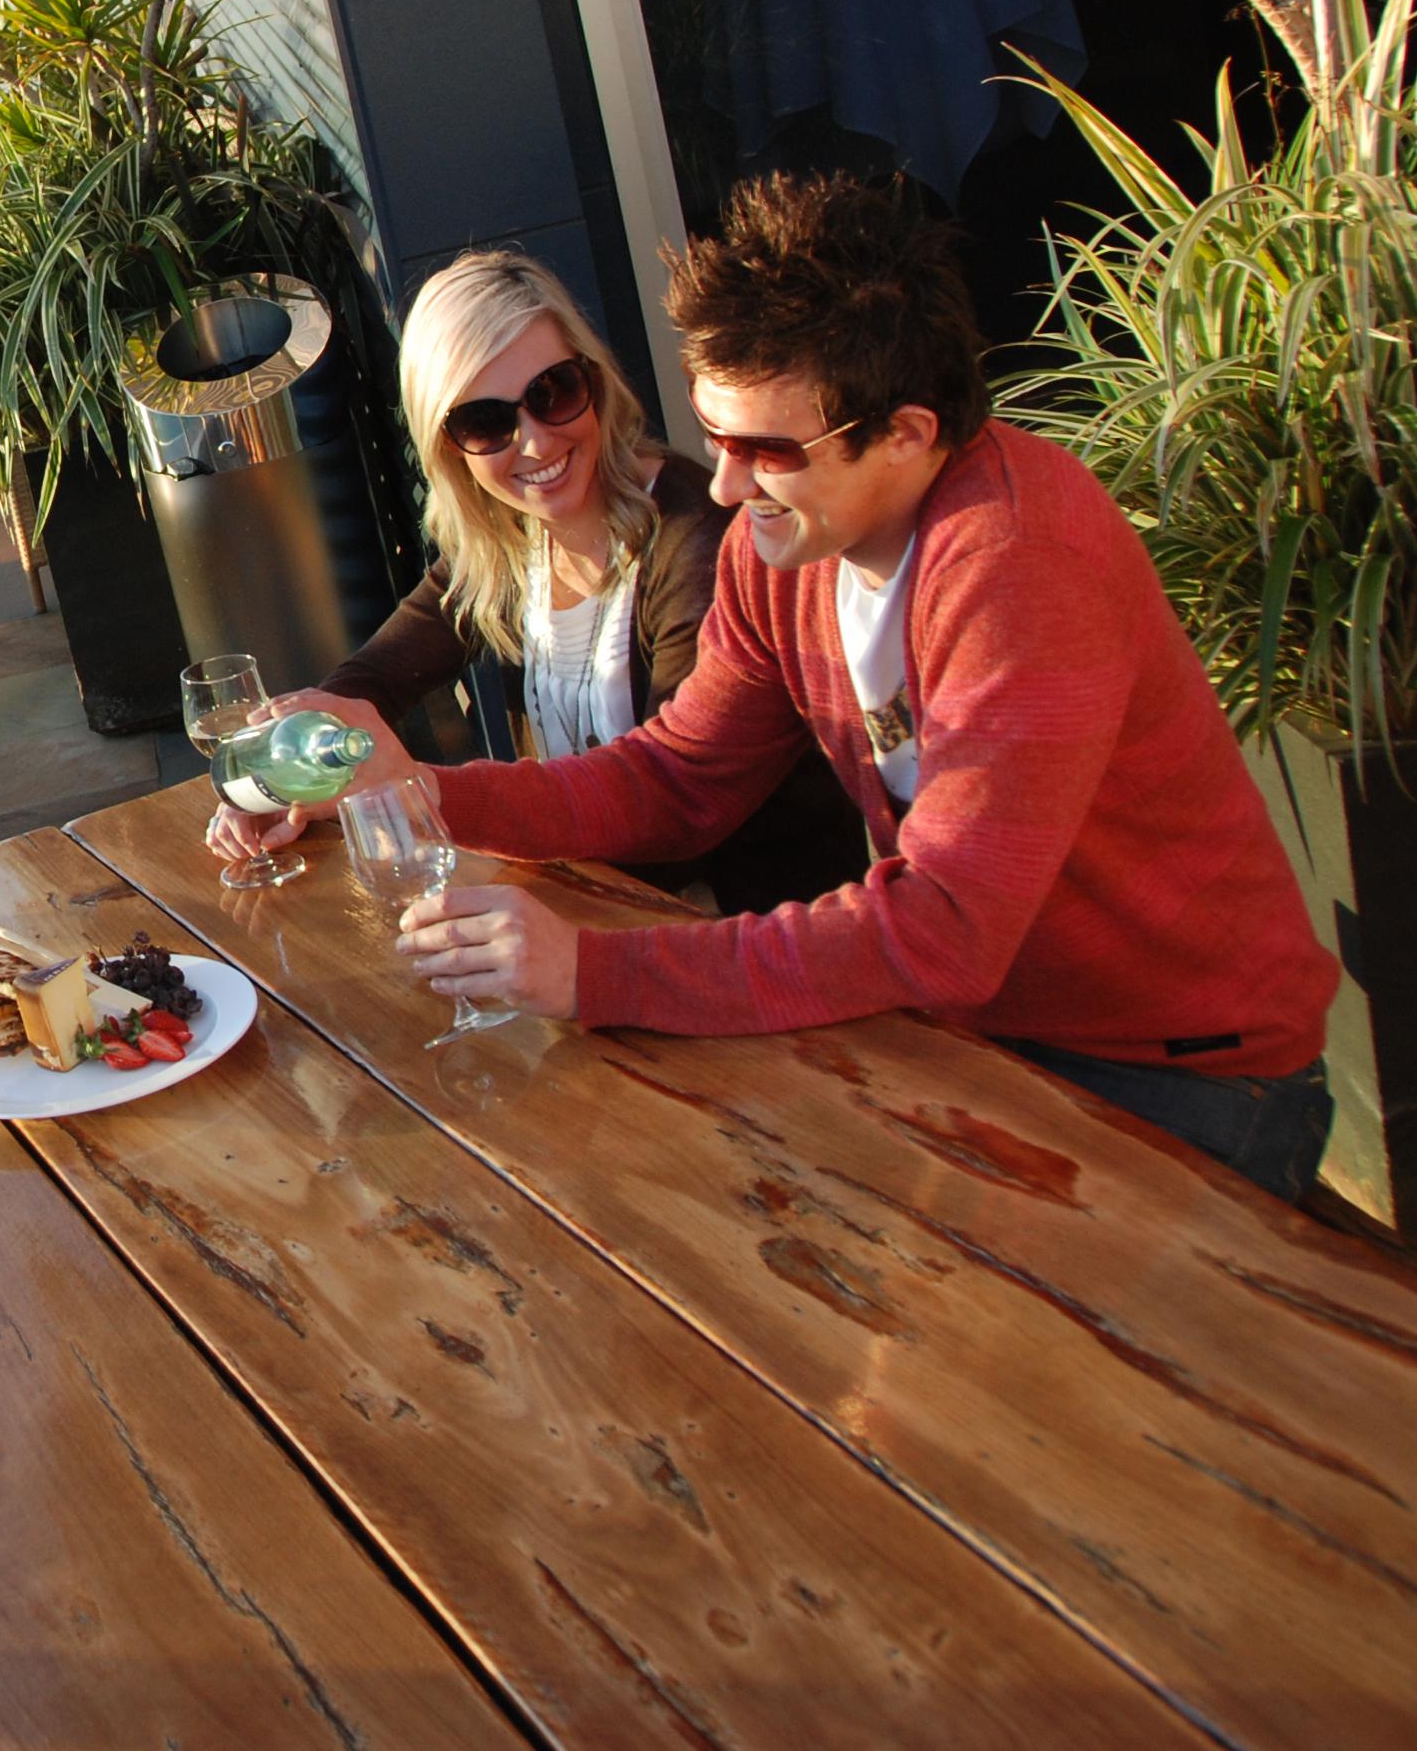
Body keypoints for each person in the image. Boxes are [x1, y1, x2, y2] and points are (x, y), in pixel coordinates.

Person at [362, 173, 1341, 1198]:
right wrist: (415, 797)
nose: (728, 485)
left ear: (908, 432)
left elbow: (945, 928)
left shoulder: (1016, 563)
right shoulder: (777, 553)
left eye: (767, 450)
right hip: (987, 1036)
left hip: (1181, 1067)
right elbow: (676, 776)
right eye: (715, 435)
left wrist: (597, 973)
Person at [208, 248, 858, 911]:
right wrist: (292, 779)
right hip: (582, 909)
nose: (537, 443)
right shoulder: (509, 536)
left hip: (730, 930)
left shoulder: (698, 540)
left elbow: (675, 811)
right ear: (448, 446)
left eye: (553, 394)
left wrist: (421, 791)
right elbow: (375, 680)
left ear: (595, 381)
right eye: (485, 423)